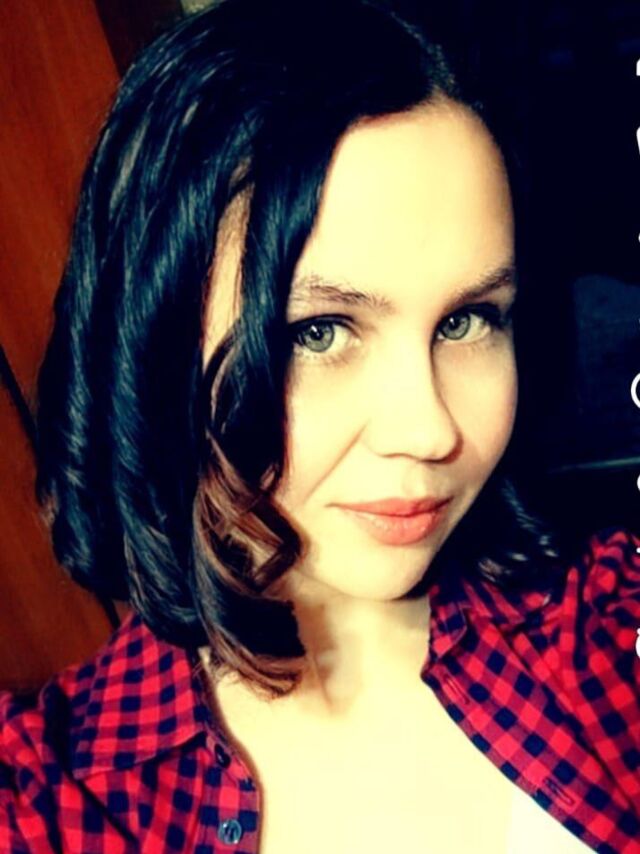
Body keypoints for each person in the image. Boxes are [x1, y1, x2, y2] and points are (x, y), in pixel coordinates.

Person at [1, 0, 639, 851]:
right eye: (319, 332)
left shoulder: (605, 633)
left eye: (467, 320)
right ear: (151, 344)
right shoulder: (51, 803)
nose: (431, 431)